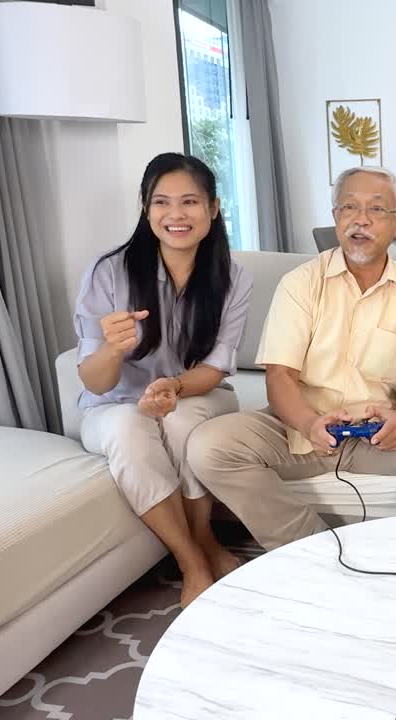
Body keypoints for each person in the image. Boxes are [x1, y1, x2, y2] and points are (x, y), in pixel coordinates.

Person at [187, 167, 396, 550]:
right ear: (335, 217)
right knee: (208, 446)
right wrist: (310, 424)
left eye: (375, 210)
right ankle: (312, 550)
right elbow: (279, 376)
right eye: (349, 208)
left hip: (379, 438)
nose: (360, 219)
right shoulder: (300, 283)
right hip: (301, 431)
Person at [76, 153, 253, 607]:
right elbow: (94, 384)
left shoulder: (232, 278)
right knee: (128, 427)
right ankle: (193, 560)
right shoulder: (108, 271)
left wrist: (173, 387)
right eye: (162, 202)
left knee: (180, 421)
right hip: (114, 404)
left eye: (190, 202)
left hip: (196, 393)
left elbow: (214, 368)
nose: (176, 215)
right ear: (145, 208)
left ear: (213, 209)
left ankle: (203, 536)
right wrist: (112, 349)